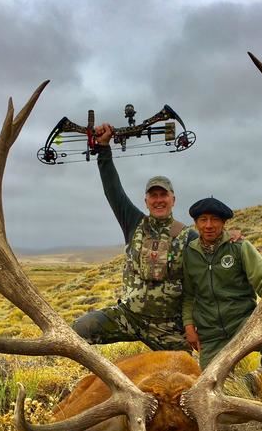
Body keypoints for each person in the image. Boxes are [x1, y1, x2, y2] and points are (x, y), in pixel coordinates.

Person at [72, 123, 195, 351]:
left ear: (173, 199)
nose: (158, 200)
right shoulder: (133, 222)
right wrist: (103, 149)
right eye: (153, 196)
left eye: (163, 195)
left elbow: (208, 268)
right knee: (79, 330)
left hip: (167, 326)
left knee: (184, 369)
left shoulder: (189, 236)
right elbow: (113, 190)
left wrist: (229, 238)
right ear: (146, 201)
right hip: (128, 316)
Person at [182, 196, 262, 380]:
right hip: (211, 333)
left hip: (242, 322)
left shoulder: (239, 247)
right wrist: (189, 326)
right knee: (212, 385)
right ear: (196, 223)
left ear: (224, 222)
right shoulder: (189, 254)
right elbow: (189, 295)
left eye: (215, 219)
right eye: (203, 220)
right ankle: (249, 383)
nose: (209, 225)